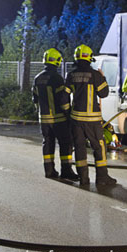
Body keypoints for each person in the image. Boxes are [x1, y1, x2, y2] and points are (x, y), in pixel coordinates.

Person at [65, 45, 117, 186]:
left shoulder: (70, 75)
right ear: (89, 57)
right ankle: (102, 178)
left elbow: (64, 96)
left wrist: (67, 114)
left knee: (80, 148)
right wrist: (103, 77)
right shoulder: (95, 75)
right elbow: (104, 94)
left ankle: (83, 179)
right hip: (92, 120)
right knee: (99, 148)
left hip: (76, 120)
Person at [32, 48, 79, 180]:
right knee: (65, 143)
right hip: (58, 118)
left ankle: (49, 170)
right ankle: (66, 171)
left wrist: (40, 113)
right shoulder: (57, 78)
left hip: (44, 119)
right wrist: (68, 113)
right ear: (58, 61)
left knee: (47, 143)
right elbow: (62, 100)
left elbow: (34, 99)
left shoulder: (37, 78)